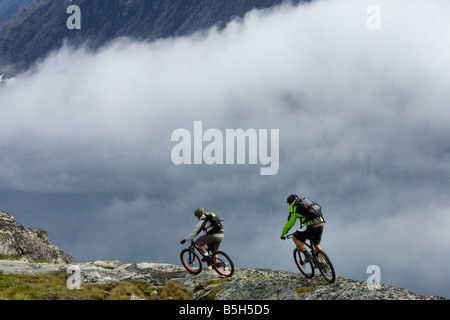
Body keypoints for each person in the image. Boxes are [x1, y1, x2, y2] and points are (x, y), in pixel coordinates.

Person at [280, 194, 325, 262]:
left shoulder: (294, 208)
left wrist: (283, 234)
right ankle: (324, 263)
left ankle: (307, 254)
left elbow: (289, 224)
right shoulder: (306, 202)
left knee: (295, 237)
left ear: (290, 202)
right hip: (320, 225)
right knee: (317, 245)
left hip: (311, 227)